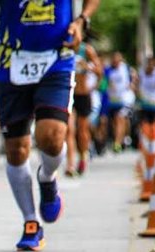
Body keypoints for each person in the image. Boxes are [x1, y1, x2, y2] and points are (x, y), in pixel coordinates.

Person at [0, 0, 100, 251]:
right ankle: (31, 221)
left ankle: (47, 176)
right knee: (17, 149)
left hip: (57, 59)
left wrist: (82, 20)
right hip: (11, 62)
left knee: (51, 137)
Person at [65, 38, 101, 176]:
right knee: (69, 129)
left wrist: (87, 67)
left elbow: (99, 71)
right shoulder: (64, 48)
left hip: (83, 95)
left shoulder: (86, 50)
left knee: (82, 131)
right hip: (68, 94)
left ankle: (83, 158)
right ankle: (70, 165)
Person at [106, 51, 133, 153]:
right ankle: (120, 140)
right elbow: (105, 81)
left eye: (118, 59)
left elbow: (132, 80)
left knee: (119, 120)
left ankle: (117, 143)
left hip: (123, 100)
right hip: (112, 100)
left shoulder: (125, 68)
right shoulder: (109, 69)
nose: (115, 61)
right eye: (114, 59)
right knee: (114, 123)